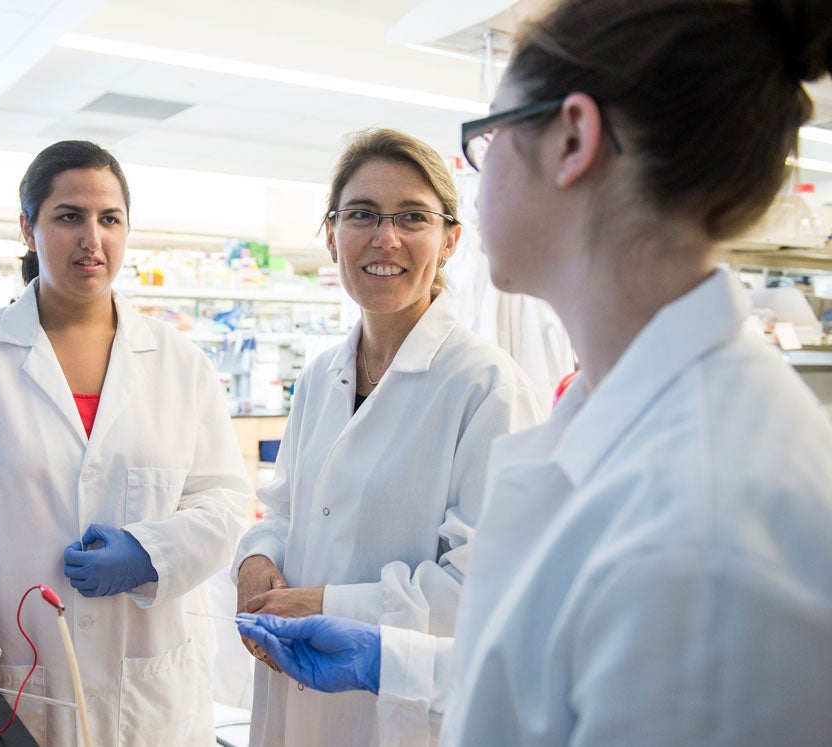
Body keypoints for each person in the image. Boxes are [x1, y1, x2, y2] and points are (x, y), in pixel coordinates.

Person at [237, 1, 832, 745]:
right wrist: (391, 657)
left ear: (572, 139)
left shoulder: (709, 516)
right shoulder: (613, 418)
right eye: (361, 215)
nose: (474, 187)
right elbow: (544, 677)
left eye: (488, 138)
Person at [0, 140, 252, 746]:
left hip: (150, 696)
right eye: (68, 216)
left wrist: (151, 550)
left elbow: (228, 505)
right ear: (28, 227)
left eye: (110, 219)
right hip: (17, 684)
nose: (92, 239)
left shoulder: (180, 364)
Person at [232, 128, 543, 746]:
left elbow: (486, 582)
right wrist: (257, 556)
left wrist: (328, 606)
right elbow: (288, 506)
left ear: (450, 240)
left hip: (400, 713)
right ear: (330, 234)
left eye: (412, 217)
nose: (385, 238)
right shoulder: (322, 373)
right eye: (362, 215)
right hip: (291, 693)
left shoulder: (487, 386)